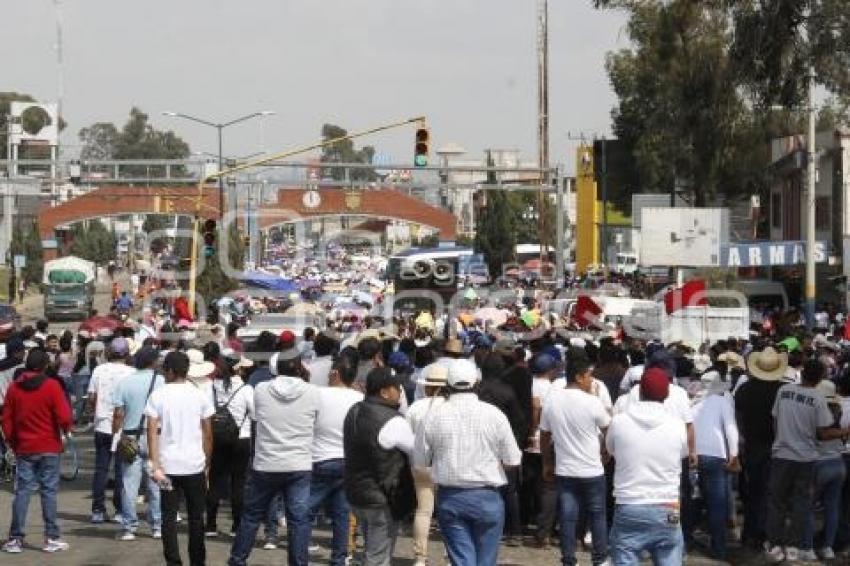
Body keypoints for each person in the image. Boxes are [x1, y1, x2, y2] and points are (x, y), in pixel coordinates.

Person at [415, 359, 522, 566]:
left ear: (448, 385)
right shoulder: (495, 415)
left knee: (462, 560)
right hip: (487, 497)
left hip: (451, 496)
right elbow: (513, 459)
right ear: (476, 383)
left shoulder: (433, 415)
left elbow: (421, 461)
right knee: (486, 560)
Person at [228, 347, 320, 566]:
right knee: (298, 521)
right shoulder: (313, 392)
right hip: (299, 463)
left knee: (251, 517)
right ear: (299, 367)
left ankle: (237, 560)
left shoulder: (260, 389)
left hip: (266, 462)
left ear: (275, 368)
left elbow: (258, 416)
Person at [763, 358, 849, 563]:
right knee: (801, 503)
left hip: (782, 454)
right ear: (820, 378)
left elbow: (775, 419)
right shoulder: (818, 398)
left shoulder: (783, 391)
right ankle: (793, 546)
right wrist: (845, 431)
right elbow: (822, 433)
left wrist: (781, 439)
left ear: (802, 373)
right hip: (806, 458)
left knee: (777, 501)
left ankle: (775, 544)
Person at [606, 368, 688, 565]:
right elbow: (683, 453)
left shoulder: (619, 422)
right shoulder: (677, 425)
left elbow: (611, 450)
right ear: (667, 393)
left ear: (640, 391)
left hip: (630, 504)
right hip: (667, 506)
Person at [540, 352, 611, 566]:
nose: (592, 381)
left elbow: (544, 435)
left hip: (565, 469)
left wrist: (546, 463)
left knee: (568, 517)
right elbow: (608, 427)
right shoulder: (592, 402)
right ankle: (599, 559)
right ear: (579, 377)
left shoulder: (552, 401)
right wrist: (605, 451)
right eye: (589, 376)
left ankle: (568, 560)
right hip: (592, 469)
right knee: (597, 515)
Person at [146, 351, 214, 566]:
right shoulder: (199, 394)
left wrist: (155, 463)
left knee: (168, 516)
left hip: (167, 468)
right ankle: (197, 560)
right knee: (196, 517)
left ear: (170, 371)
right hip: (194, 465)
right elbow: (207, 433)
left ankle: (173, 561)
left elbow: (151, 431)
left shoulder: (158, 395)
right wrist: (207, 464)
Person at [1, 350, 73, 554]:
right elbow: (64, 415)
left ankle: (15, 539)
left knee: (22, 492)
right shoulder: (51, 386)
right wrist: (67, 430)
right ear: (43, 366)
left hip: (24, 447)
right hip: (49, 446)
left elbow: (6, 419)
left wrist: (12, 442)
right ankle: (51, 537)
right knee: (48, 492)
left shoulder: (14, 388)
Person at [344, 366, 416, 566]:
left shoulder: (354, 411)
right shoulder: (393, 421)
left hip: (355, 495)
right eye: (396, 387)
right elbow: (417, 452)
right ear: (384, 392)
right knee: (378, 559)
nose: (400, 391)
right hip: (381, 499)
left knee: (371, 551)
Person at [307, 351, 363, 566]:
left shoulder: (318, 394)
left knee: (304, 511)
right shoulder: (359, 399)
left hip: (320, 458)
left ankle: (300, 551)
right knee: (342, 515)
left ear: (335, 373)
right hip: (348, 462)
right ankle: (339, 558)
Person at [734, 346, 786, 549]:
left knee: (753, 493)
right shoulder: (782, 390)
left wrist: (742, 438)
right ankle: (764, 534)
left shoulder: (745, 389)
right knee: (771, 494)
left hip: (752, 447)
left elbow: (737, 418)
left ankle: (749, 533)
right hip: (775, 447)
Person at [112, 346, 165, 540]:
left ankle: (129, 527)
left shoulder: (125, 383)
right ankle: (157, 526)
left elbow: (118, 413)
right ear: (153, 362)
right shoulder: (161, 381)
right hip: (155, 437)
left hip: (130, 437)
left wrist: (116, 435)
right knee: (155, 483)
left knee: (129, 484)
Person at [692, 368, 739, 560]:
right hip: (716, 455)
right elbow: (730, 429)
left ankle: (690, 540)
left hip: (696, 456)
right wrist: (734, 455)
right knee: (717, 504)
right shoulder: (721, 402)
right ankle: (719, 549)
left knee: (698, 499)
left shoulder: (694, 405)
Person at [204, 354, 254, 538]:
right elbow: (255, 414)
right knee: (238, 483)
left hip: (216, 438)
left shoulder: (211, 387)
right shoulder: (246, 389)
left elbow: (206, 412)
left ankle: (210, 525)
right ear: (238, 369)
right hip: (241, 438)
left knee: (215, 481)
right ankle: (236, 525)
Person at [87, 337, 135, 524]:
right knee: (121, 470)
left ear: (109, 353)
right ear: (126, 354)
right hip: (123, 427)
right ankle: (120, 511)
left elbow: (91, 397)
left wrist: (96, 409)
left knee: (101, 469)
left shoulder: (99, 370)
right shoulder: (131, 372)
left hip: (102, 425)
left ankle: (97, 510)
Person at [405, 364, 448, 566]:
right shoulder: (451, 407)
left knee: (423, 511)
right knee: (448, 512)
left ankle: (420, 558)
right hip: (447, 465)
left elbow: (407, 437)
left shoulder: (415, 408)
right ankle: (451, 556)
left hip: (420, 464)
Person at [801, 380, 845, 561]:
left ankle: (808, 548)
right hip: (838, 463)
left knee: (808, 507)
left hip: (817, 463)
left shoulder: (813, 411)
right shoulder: (838, 410)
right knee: (832, 508)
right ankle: (828, 547)